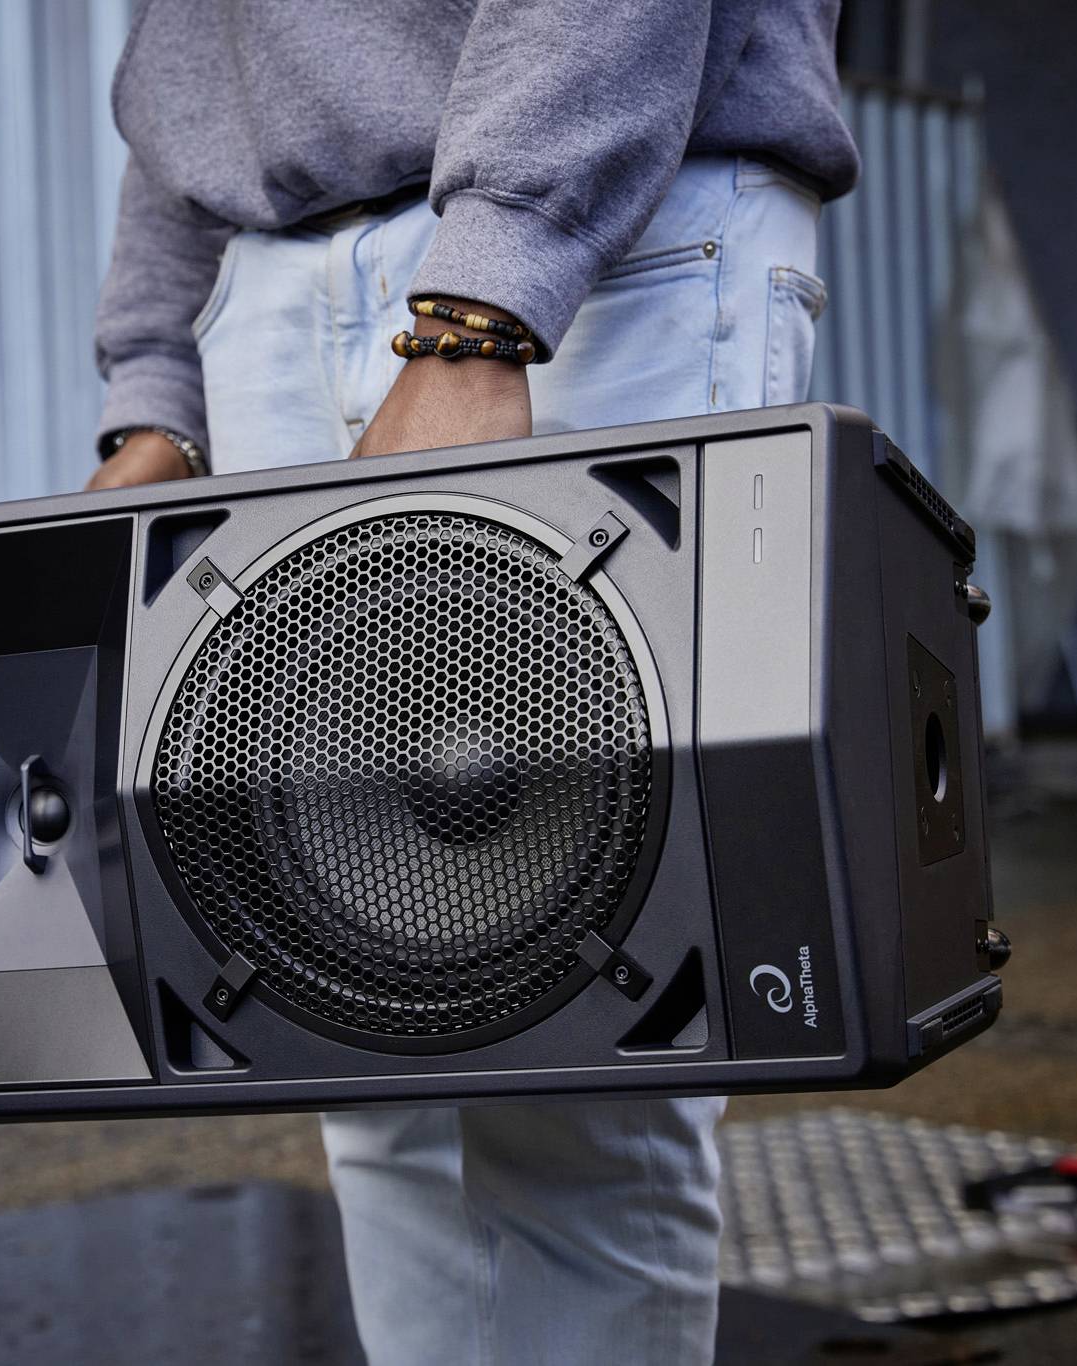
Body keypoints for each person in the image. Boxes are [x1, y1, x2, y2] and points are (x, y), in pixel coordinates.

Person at [89, 3, 856, 1362]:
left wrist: (487, 297)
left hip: (602, 229)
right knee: (358, 1025)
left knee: (585, 1043)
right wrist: (157, 376)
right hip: (267, 283)